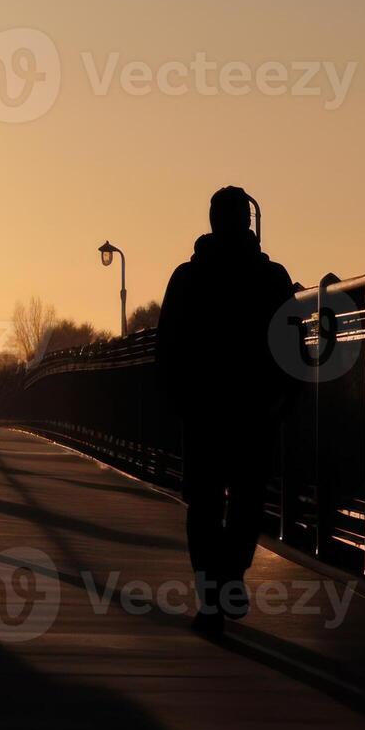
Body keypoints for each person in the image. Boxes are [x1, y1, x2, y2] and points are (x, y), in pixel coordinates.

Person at [155, 186, 296, 635]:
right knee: (248, 501)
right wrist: (285, 398)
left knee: (204, 503)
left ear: (213, 222)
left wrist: (175, 399)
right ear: (247, 223)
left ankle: (212, 599)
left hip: (203, 409)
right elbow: (292, 347)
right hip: (254, 408)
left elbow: (168, 346)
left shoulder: (188, 277)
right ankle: (230, 579)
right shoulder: (271, 277)